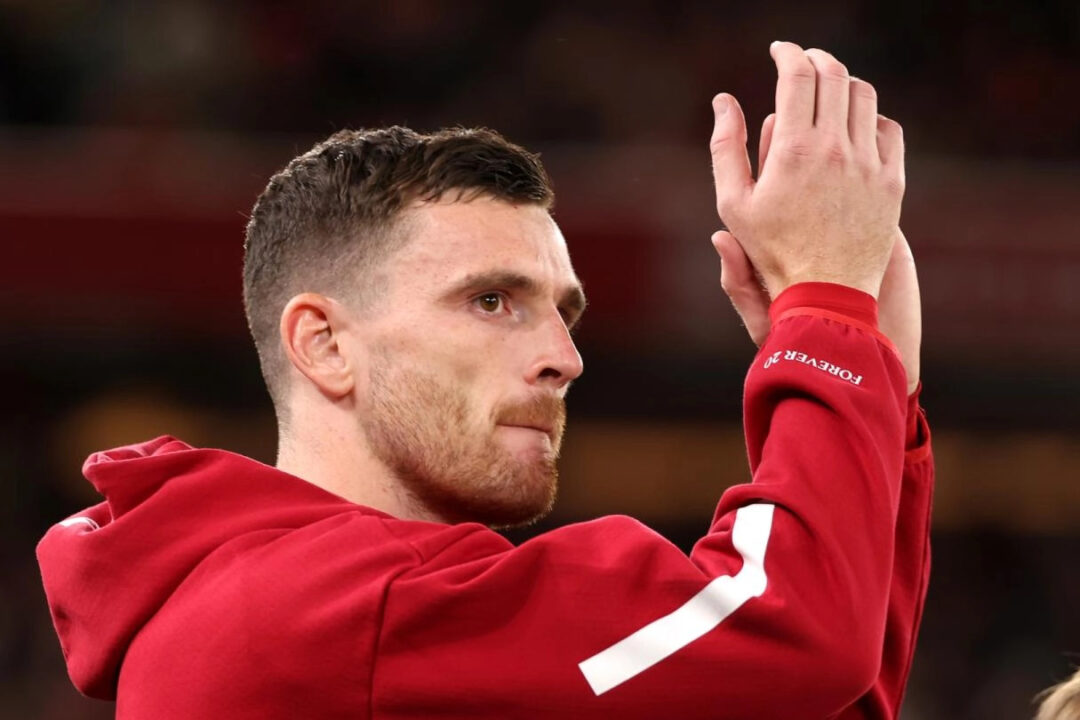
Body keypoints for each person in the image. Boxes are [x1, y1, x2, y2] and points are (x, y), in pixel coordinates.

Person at [38, 41, 933, 719]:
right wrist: (824, 315)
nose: (564, 358)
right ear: (325, 345)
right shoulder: (331, 612)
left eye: (564, 313)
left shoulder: (341, 628)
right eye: (492, 301)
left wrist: (876, 394)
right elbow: (790, 628)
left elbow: (798, 691)